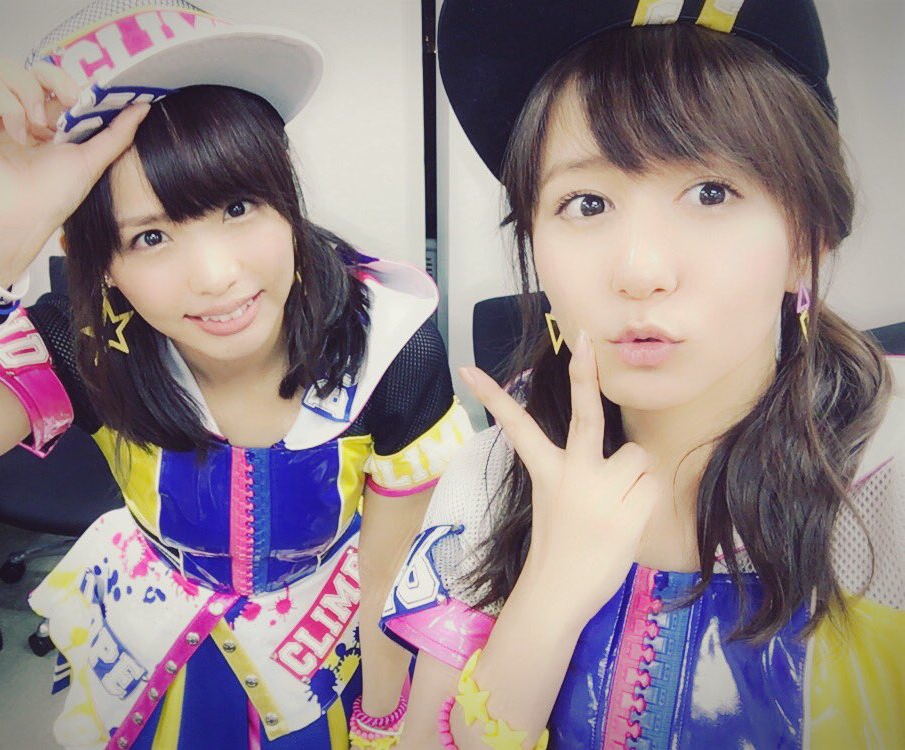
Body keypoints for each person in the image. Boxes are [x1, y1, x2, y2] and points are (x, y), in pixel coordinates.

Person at [0, 1, 471, 747]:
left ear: (286, 198)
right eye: (149, 237)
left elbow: (388, 568)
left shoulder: (387, 345)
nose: (215, 276)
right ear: (99, 264)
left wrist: (382, 720)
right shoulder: (86, 345)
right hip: (153, 643)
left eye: (238, 207)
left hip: (328, 649)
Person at [380, 1, 904, 748]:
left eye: (711, 193)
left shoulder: (885, 488)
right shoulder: (494, 476)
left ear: (807, 239)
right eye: (587, 203)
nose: (640, 270)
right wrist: (548, 594)